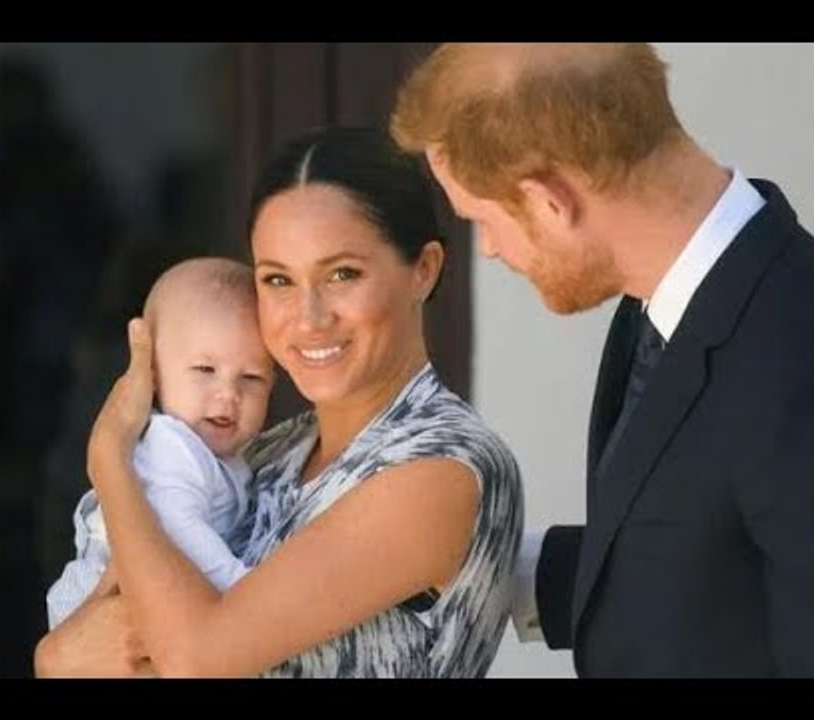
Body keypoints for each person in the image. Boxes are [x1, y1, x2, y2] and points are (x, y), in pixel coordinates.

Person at [390, 43, 814, 677]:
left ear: (548, 201)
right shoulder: (671, 296)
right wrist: (486, 564)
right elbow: (701, 563)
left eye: (481, 219)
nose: (487, 250)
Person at [34, 126, 523, 678]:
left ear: (424, 271)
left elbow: (195, 657)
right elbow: (90, 642)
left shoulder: (440, 466)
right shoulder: (265, 451)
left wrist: (108, 457)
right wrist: (53, 657)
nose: (309, 318)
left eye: (343, 274)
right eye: (278, 280)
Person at [45, 257, 275, 628]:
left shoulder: (230, 456)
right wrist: (242, 590)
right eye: (205, 370)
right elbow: (179, 528)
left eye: (251, 378)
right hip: (102, 608)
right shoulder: (170, 446)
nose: (228, 394)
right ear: (152, 372)